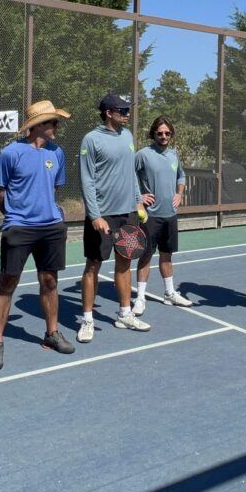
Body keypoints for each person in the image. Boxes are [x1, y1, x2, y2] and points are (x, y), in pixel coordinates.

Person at [0, 100, 75, 371]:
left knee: (49, 282)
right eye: (52, 122)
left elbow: (54, 189)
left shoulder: (57, 153)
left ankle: (52, 333)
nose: (56, 127)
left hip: (51, 228)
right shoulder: (11, 153)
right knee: (7, 284)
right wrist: (12, 215)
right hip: (19, 228)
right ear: (37, 126)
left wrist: (51, 216)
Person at [76, 93, 150, 343]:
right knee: (93, 266)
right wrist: (94, 215)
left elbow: (130, 173)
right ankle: (87, 319)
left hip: (128, 212)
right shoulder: (91, 140)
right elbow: (86, 179)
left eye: (128, 110)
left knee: (124, 263)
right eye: (123, 110)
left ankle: (124, 313)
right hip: (103, 215)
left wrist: (138, 200)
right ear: (108, 112)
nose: (127, 114)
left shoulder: (127, 136)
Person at [133, 116, 193, 315]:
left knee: (167, 256)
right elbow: (129, 175)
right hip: (150, 216)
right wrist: (138, 197)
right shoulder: (143, 154)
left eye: (167, 133)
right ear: (153, 134)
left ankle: (169, 293)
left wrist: (179, 193)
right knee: (146, 256)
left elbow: (181, 175)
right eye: (160, 133)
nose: (164, 136)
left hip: (170, 215)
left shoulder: (174, 155)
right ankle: (140, 298)